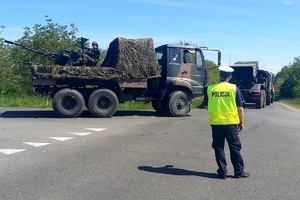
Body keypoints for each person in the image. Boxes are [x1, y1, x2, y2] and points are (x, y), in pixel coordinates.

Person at [202, 65, 249, 179]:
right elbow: (240, 108)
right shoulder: (234, 89)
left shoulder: (211, 89)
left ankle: (222, 172)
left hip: (216, 123)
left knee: (218, 147)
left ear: (219, 75)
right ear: (230, 76)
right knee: (234, 147)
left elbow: (206, 105)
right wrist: (241, 122)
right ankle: (238, 171)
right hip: (230, 123)